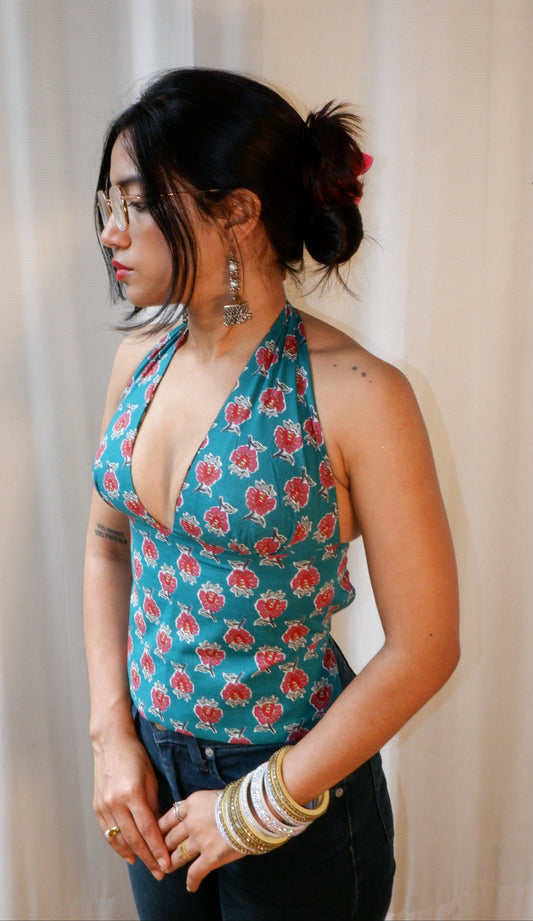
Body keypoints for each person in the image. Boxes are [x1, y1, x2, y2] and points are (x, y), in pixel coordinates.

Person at [83, 67, 460, 921]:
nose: (110, 231)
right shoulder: (136, 363)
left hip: (295, 788)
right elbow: (108, 546)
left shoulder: (359, 392)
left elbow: (426, 646)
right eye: (109, 202)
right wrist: (112, 732)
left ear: (237, 212)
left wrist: (254, 809)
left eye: (135, 202)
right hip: (151, 776)